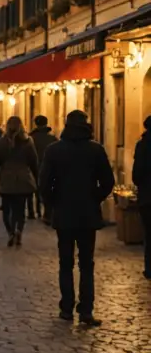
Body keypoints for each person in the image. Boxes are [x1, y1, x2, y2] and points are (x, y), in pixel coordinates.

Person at [40, 111, 114, 326]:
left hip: (64, 214)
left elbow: (44, 183)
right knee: (86, 264)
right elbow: (108, 181)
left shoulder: (54, 150)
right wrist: (95, 198)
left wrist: (54, 203)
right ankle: (86, 310)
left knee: (65, 262)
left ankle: (66, 307)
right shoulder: (96, 150)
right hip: (87, 215)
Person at [0, 116, 39, 247]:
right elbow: (34, 161)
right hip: (23, 179)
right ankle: (19, 230)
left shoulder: (2, 142)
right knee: (20, 209)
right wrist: (36, 177)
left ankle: (10, 232)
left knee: (7, 209)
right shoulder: (28, 142)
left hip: (7, 180)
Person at [132, 115, 151, 280]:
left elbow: (137, 174)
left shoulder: (142, 146)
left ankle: (149, 267)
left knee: (149, 233)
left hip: (147, 196)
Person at [28, 115, 57, 221]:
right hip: (49, 167)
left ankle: (32, 211)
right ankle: (47, 212)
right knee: (47, 188)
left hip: (33, 165)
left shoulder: (30, 138)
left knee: (31, 189)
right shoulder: (52, 138)